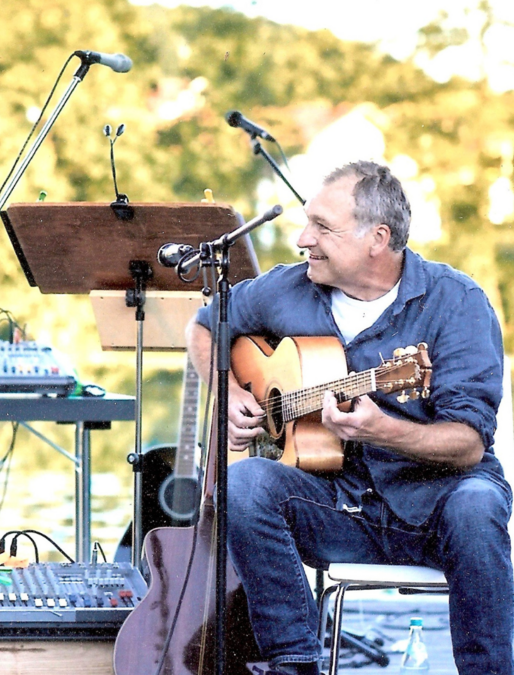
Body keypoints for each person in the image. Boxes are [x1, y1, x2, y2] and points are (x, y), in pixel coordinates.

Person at [186, 160, 512, 675]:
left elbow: (468, 444)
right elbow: (205, 327)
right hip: (338, 505)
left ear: (377, 238)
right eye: (306, 222)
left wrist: (385, 430)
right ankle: (295, 662)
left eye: (322, 228)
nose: (301, 238)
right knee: (244, 482)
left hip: (437, 509)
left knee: (476, 505)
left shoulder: (458, 304)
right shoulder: (288, 288)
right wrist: (227, 391)